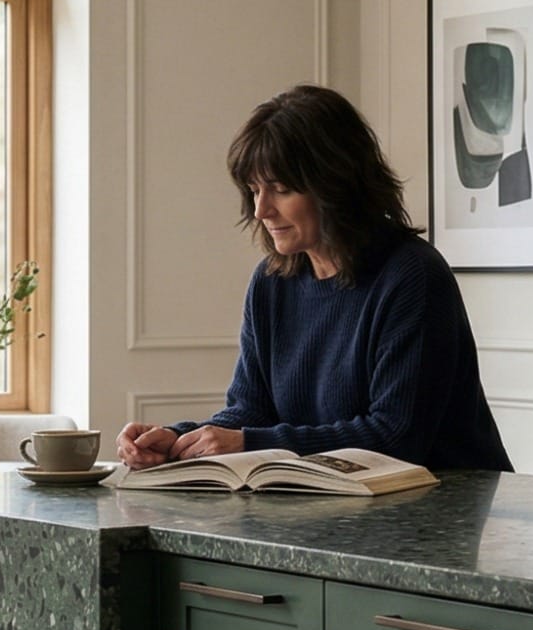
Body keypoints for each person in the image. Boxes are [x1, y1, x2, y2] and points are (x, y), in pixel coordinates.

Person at [118, 85, 512, 473]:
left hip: (442, 516)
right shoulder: (271, 283)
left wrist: (254, 444)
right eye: (254, 190)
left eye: (280, 189)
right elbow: (251, 411)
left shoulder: (413, 276)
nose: (261, 210)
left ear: (336, 184)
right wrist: (179, 439)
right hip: (341, 512)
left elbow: (396, 437)